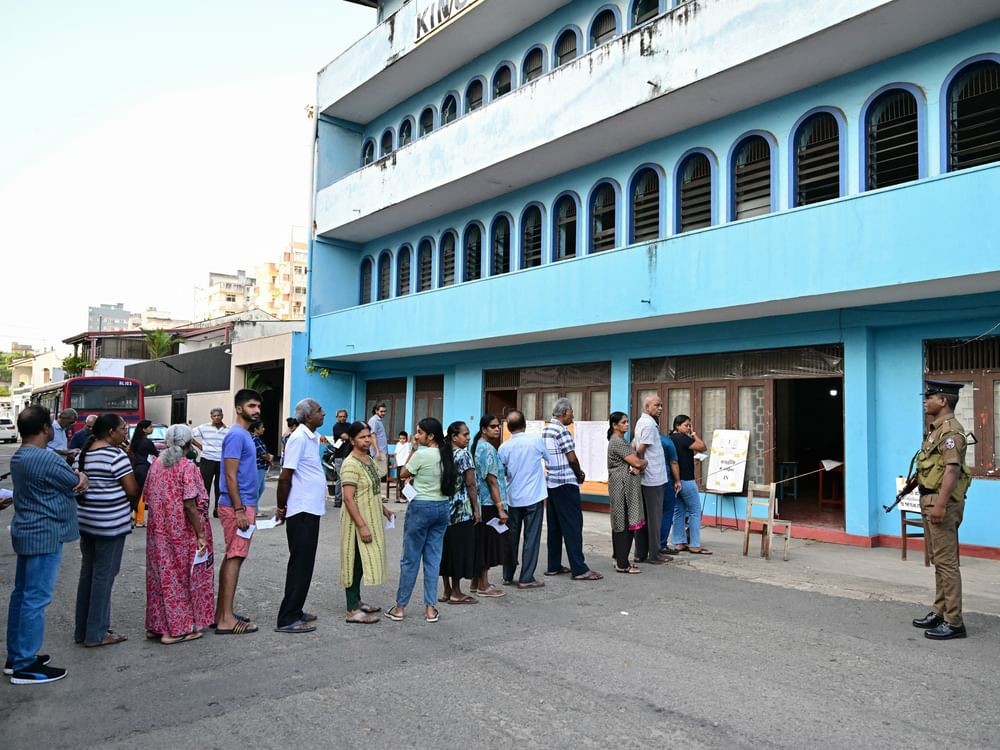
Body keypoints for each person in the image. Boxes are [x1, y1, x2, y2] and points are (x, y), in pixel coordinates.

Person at [5, 405, 87, 684]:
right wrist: (82, 477)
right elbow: (75, 483)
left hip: (27, 531)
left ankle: (17, 655)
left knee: (22, 595)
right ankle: (26, 664)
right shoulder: (45, 458)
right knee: (36, 599)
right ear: (45, 429)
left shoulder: (20, 456)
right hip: (45, 533)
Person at [909, 380, 973, 640]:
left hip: (940, 504)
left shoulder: (951, 433)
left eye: (930, 396)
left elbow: (952, 470)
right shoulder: (935, 431)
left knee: (947, 563)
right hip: (930, 500)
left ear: (943, 401)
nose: (926, 400)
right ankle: (939, 610)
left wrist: (941, 505)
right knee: (938, 560)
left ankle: (954, 621)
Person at [143, 424, 213, 645]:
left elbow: (146, 497)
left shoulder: (155, 465)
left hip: (158, 532)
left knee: (159, 577)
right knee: (181, 578)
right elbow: (190, 504)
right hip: (181, 532)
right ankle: (176, 630)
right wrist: (200, 534)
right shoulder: (187, 467)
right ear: (189, 443)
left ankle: (157, 625)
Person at [74, 413, 138, 647]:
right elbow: (131, 490)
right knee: (104, 576)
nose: (125, 432)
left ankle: (83, 630)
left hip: (87, 522)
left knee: (88, 574)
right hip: (110, 525)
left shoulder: (83, 453)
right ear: (111, 431)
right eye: (123, 428)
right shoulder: (115, 455)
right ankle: (97, 633)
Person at [386, 417, 456, 624]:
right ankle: (430, 609)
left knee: (410, 559)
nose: (415, 436)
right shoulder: (446, 454)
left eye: (419, 432)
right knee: (433, 559)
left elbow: (403, 473)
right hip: (442, 507)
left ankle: (400, 607)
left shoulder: (421, 454)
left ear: (430, 436)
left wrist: (414, 450)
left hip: (421, 507)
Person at [274, 399, 327, 634]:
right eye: (319, 411)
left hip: (311, 509)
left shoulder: (310, 438)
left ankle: (296, 609)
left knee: (306, 564)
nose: (322, 413)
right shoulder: (298, 438)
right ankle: (287, 617)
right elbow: (285, 476)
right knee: (300, 564)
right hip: (301, 510)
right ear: (308, 417)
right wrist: (280, 507)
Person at [214, 389, 263, 635]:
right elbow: (230, 475)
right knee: (235, 557)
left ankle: (223, 613)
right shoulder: (236, 436)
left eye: (258, 406)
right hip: (238, 507)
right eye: (252, 406)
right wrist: (240, 510)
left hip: (242, 505)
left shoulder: (243, 435)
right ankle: (225, 620)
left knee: (233, 557)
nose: (256, 410)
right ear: (239, 408)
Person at [542, 398, 602, 581]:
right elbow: (572, 458)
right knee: (573, 526)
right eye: (572, 413)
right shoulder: (562, 431)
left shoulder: (545, 430)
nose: (573, 416)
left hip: (551, 482)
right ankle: (579, 568)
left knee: (555, 527)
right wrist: (580, 473)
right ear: (565, 412)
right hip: (566, 483)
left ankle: (553, 565)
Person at [340, 421, 393, 624]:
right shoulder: (351, 463)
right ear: (352, 440)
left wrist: (384, 509)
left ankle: (357, 600)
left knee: (363, 562)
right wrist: (361, 525)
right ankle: (352, 609)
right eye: (362, 437)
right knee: (354, 562)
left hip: (371, 517)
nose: (367, 440)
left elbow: (371, 491)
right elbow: (348, 498)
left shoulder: (368, 460)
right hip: (356, 522)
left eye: (369, 436)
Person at [498, 410, 549, 589]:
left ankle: (507, 575)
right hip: (534, 496)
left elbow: (501, 472)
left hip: (512, 498)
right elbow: (548, 459)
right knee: (531, 537)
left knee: (511, 538)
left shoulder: (504, 447)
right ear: (524, 425)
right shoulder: (535, 441)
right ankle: (526, 577)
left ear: (509, 428)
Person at [439, 421, 481, 604]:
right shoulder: (464, 455)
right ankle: (456, 592)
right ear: (454, 436)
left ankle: (447, 590)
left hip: (444, 508)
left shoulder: (443, 453)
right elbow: (470, 483)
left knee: (445, 550)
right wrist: (476, 509)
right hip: (461, 510)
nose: (468, 437)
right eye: (464, 434)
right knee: (458, 550)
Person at [471, 415, 509, 598]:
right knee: (487, 544)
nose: (497, 429)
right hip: (489, 503)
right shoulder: (487, 448)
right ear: (484, 429)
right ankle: (483, 585)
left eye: (498, 426)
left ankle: (477, 582)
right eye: (493, 426)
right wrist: (500, 507)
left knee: (482, 542)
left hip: (483, 502)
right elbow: (492, 481)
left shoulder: (479, 445)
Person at [606, 412, 646, 574]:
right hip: (621, 487)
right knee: (623, 523)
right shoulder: (617, 442)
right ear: (615, 425)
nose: (627, 424)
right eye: (623, 422)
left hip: (621, 485)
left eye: (628, 421)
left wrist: (638, 465)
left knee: (621, 522)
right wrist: (644, 463)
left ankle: (618, 558)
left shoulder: (620, 441)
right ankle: (623, 563)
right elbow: (636, 461)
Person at [633, 395, 671, 565]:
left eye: (661, 405)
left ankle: (640, 553)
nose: (660, 408)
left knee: (643, 518)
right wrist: (640, 464)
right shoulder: (649, 425)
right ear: (647, 407)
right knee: (654, 518)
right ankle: (655, 554)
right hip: (653, 477)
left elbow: (634, 444)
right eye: (656, 405)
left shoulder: (642, 422)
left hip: (647, 477)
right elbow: (640, 449)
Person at [669, 415, 711, 555]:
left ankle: (679, 542)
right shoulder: (683, 438)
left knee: (679, 511)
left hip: (676, 480)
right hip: (686, 479)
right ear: (678, 426)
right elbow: (702, 447)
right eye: (686, 425)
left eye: (689, 426)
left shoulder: (670, 439)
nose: (688, 428)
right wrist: (694, 435)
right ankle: (694, 544)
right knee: (695, 511)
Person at [192, 407, 229, 517]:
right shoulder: (204, 427)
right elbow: (189, 434)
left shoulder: (228, 429)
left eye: (219, 415)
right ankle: (204, 509)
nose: (217, 417)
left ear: (222, 416)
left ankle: (217, 509)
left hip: (221, 460)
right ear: (211, 417)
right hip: (207, 459)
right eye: (214, 416)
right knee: (205, 485)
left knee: (219, 486)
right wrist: (200, 446)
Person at [659, 433, 683, 554]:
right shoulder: (666, 442)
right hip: (665, 479)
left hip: (646, 481)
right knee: (667, 512)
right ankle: (661, 544)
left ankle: (647, 545)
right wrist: (677, 480)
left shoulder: (639, 439)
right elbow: (673, 462)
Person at [128, 419, 160, 499]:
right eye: (150, 427)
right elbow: (156, 454)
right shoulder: (147, 442)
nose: (152, 429)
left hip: (136, 468)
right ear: (144, 429)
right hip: (145, 469)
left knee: (138, 494)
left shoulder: (135, 440)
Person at [330, 409, 352, 506]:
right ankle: (338, 500)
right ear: (337, 417)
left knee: (350, 478)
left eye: (344, 416)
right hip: (339, 455)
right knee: (340, 478)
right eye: (340, 416)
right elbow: (345, 436)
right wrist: (350, 437)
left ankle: (349, 500)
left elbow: (353, 435)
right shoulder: (336, 427)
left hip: (349, 455)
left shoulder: (349, 425)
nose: (342, 418)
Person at [368, 403, 389, 498]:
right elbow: (373, 435)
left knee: (380, 473)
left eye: (384, 411)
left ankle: (377, 494)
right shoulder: (374, 420)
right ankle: (375, 495)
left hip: (382, 450)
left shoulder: (379, 420)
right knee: (377, 473)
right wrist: (377, 451)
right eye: (381, 411)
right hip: (378, 451)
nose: (383, 413)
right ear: (376, 411)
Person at [250, 422, 273, 503]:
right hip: (258, 467)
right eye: (262, 427)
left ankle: (254, 508)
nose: (264, 429)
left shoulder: (257, 439)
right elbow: (263, 454)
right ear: (256, 429)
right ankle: (254, 510)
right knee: (257, 489)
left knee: (261, 488)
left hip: (261, 467)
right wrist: (270, 458)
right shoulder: (255, 439)